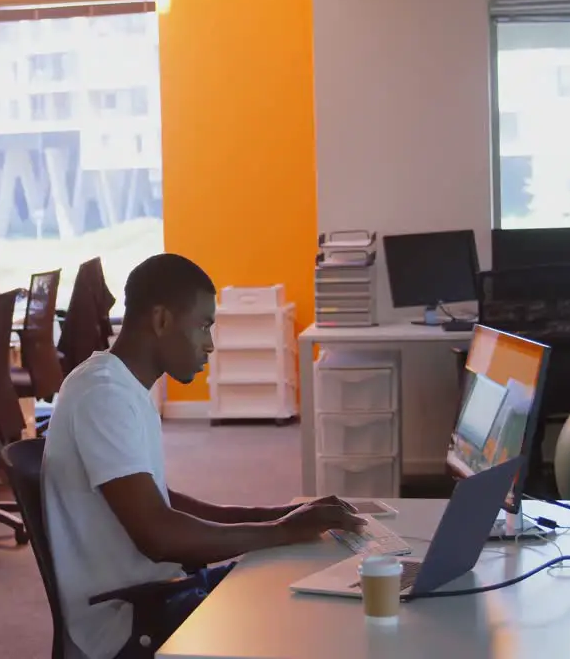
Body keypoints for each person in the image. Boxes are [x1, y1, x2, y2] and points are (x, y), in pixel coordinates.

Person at [42, 254, 366, 659]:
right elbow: (159, 536)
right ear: (161, 321)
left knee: (299, 574)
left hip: (160, 591)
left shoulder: (120, 387)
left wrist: (279, 516)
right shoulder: (103, 395)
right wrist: (284, 531)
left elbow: (162, 502)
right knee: (306, 623)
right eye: (203, 325)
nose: (210, 343)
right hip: (130, 619)